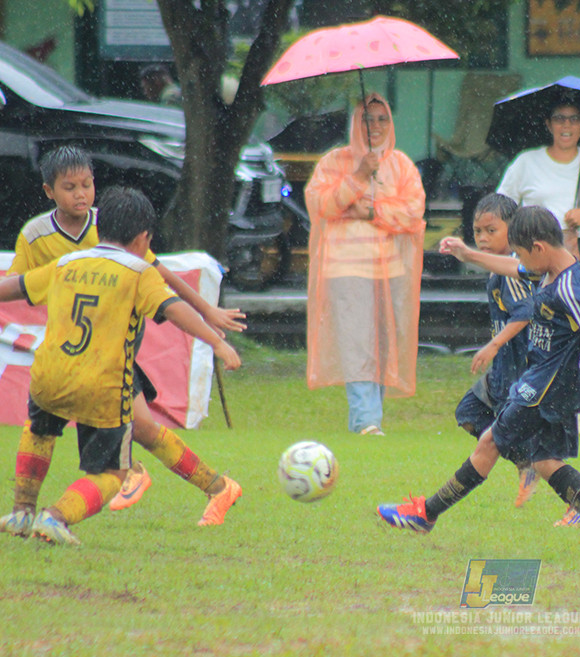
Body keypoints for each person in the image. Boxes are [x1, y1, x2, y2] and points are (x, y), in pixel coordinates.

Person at [380, 207, 580, 561]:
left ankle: (425, 514)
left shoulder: (568, 286)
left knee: (489, 442)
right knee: (545, 460)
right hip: (554, 383)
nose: (518, 260)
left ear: (538, 246)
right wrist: (466, 253)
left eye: (520, 252)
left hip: (545, 386)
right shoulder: (548, 267)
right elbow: (510, 267)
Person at [0, 146, 246, 535]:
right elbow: (171, 304)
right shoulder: (129, 267)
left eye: (87, 185)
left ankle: (22, 510)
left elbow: (11, 288)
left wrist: (208, 314)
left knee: (46, 429)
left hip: (53, 369)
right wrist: (215, 340)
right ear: (143, 238)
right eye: (70, 187)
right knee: (113, 469)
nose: (80, 193)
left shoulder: (65, 263)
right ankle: (57, 515)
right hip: (105, 370)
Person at [304, 93, 425, 435]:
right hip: (346, 268)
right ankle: (365, 420)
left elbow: (414, 213)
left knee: (384, 346)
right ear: (354, 124)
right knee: (357, 342)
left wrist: (372, 211)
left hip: (390, 270)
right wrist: (357, 176)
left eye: (381, 118)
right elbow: (322, 206)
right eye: (366, 119)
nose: (374, 126)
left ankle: (371, 418)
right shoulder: (333, 162)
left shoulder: (401, 165)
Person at [497, 98, 580, 438]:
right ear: (548, 124)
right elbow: (504, 205)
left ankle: (579, 404)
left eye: (574, 119)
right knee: (533, 327)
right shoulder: (527, 163)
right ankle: (530, 397)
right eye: (559, 118)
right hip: (535, 255)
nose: (566, 126)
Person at [439, 193, 541, 509]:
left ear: (513, 230)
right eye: (477, 231)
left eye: (491, 230)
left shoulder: (513, 272)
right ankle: (526, 460)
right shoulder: (499, 269)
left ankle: (564, 490)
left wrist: (493, 345)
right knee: (470, 413)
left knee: (500, 427)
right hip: (502, 367)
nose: (482, 238)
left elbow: (525, 313)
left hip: (517, 366)